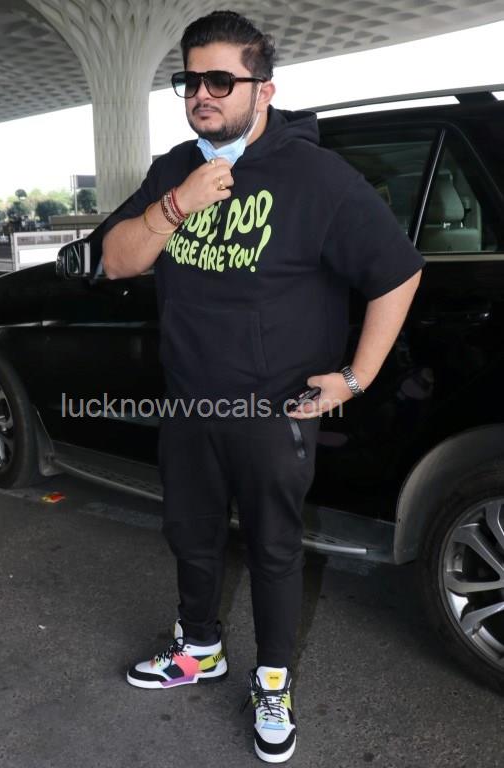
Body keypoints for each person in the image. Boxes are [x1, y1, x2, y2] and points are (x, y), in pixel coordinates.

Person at [100, 10, 424, 763]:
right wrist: (178, 203)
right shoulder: (174, 168)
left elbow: (398, 272)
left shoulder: (315, 177)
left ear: (265, 90)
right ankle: (199, 648)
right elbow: (116, 259)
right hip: (189, 401)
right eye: (190, 80)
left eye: (221, 80)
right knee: (190, 534)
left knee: (275, 550)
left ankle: (272, 682)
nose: (202, 94)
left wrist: (355, 377)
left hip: (273, 407)